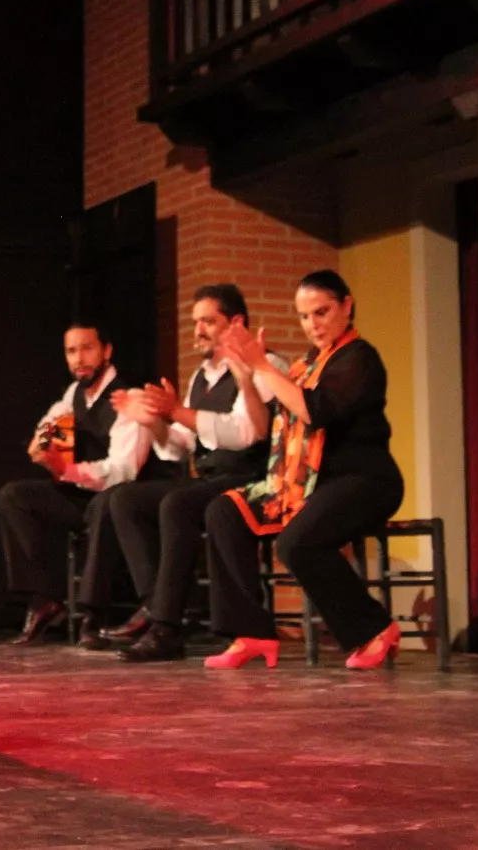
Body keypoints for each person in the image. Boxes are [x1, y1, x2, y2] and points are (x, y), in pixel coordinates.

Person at [201, 270, 405, 671]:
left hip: (363, 480)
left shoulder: (359, 357)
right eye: (305, 316)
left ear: (347, 305)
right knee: (222, 512)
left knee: (296, 544)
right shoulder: (306, 366)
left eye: (322, 312)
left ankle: (374, 628)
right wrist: (247, 377)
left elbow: (315, 411)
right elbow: (265, 429)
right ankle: (252, 631)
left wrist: (263, 366)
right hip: (309, 483)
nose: (314, 324)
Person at [104, 284, 281, 662]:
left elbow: (243, 432)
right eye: (195, 322)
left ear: (237, 322)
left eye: (207, 321)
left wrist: (176, 412)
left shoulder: (266, 365)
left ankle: (166, 628)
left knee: (178, 503)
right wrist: (152, 422)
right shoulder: (203, 376)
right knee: (125, 499)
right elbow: (176, 445)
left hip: (252, 475)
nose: (198, 330)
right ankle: (156, 605)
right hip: (210, 477)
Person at [0, 322, 151, 649]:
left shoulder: (127, 396)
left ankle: (92, 615)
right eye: (71, 351)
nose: (79, 358)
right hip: (81, 491)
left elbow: (124, 469)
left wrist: (68, 469)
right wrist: (42, 445)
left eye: (87, 348)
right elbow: (48, 426)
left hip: (120, 498)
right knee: (15, 496)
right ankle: (44, 602)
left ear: (106, 351)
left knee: (105, 504)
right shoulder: (73, 395)